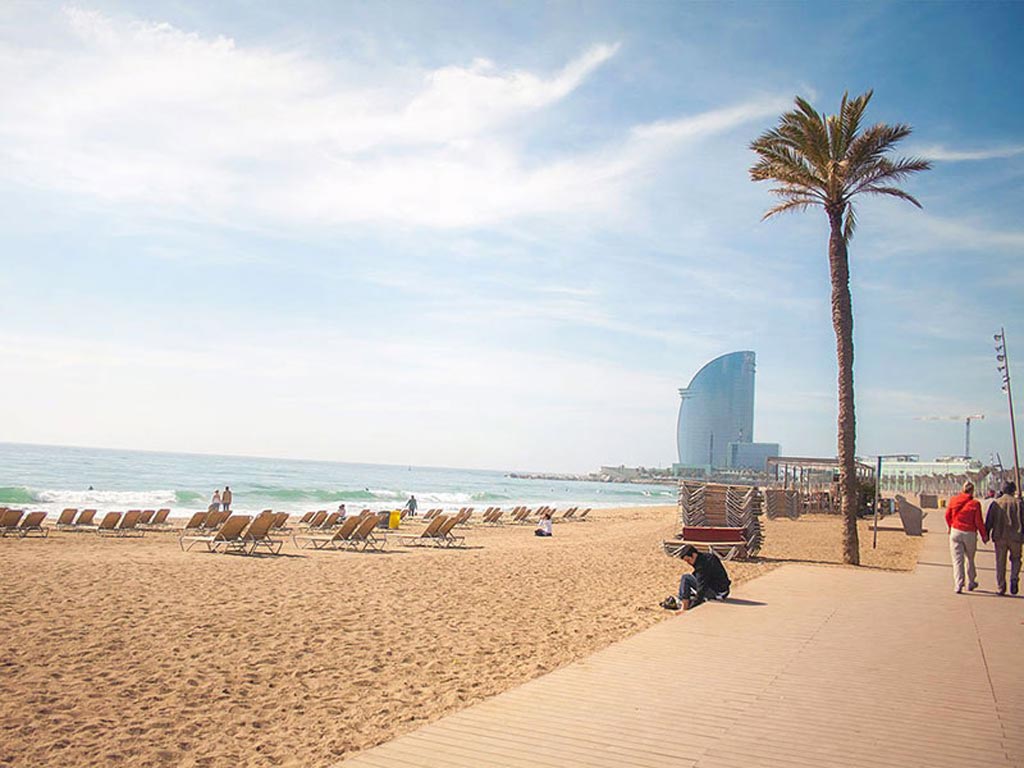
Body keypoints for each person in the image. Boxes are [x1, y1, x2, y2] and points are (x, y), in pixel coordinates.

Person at [946, 481, 988, 594]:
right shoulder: (975, 504)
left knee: (957, 560)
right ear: (972, 491)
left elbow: (947, 515)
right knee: (970, 558)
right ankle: (971, 582)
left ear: (962, 489)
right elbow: (979, 521)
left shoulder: (954, 500)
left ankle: (958, 584)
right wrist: (984, 535)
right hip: (970, 533)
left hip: (955, 531)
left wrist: (950, 527)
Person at [984, 482, 1022, 596]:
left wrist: (985, 534)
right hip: (1016, 536)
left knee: (1000, 563)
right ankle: (1014, 577)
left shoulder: (996, 503)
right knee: (1016, 559)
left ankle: (1001, 587)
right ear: (1013, 490)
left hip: (1000, 536)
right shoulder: (1019, 503)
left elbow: (989, 520)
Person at [671, 544, 731, 610]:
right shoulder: (708, 557)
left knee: (686, 578)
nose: (688, 563)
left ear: (693, 555)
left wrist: (691, 607)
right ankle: (683, 599)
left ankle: (684, 606)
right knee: (690, 582)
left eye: (688, 560)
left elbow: (701, 588)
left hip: (717, 592)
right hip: (724, 590)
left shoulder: (702, 565)